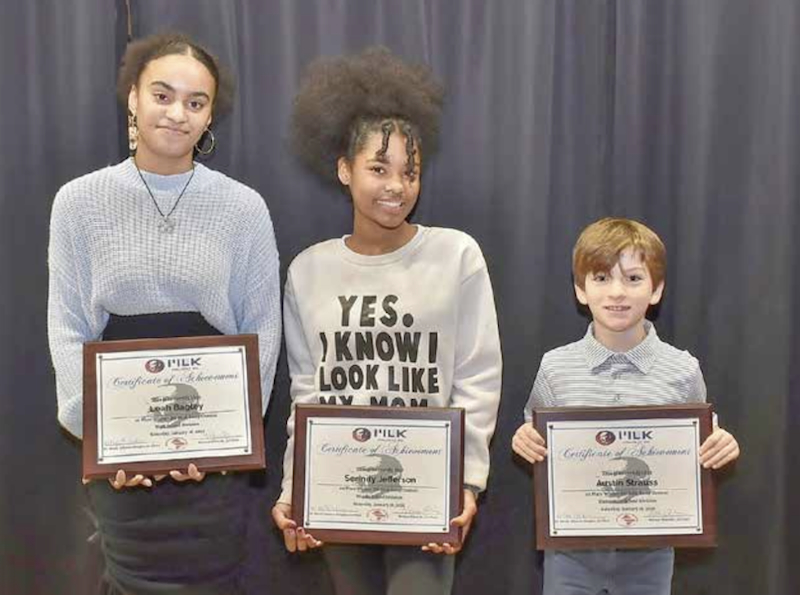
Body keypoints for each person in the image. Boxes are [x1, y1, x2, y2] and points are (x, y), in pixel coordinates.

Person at [47, 32, 281, 594]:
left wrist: (227, 443)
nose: (177, 113)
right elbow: (69, 327)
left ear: (209, 118)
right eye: (162, 94)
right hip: (121, 464)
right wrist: (100, 440)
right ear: (133, 98)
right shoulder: (77, 202)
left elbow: (262, 331)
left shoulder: (243, 208)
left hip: (214, 467)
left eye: (195, 103)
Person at [271, 47, 503, 595]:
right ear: (345, 169)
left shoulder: (457, 256)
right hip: (339, 487)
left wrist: (465, 483)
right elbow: (307, 394)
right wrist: (293, 488)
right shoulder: (308, 270)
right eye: (379, 168)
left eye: (409, 171)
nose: (396, 186)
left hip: (426, 491)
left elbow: (477, 376)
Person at [511, 217, 740, 595]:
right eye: (601, 278)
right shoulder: (555, 367)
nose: (617, 292)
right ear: (580, 290)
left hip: (650, 556)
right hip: (570, 554)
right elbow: (534, 436)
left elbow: (703, 443)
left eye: (633, 278)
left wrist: (721, 445)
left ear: (656, 289)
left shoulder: (682, 369)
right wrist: (524, 439)